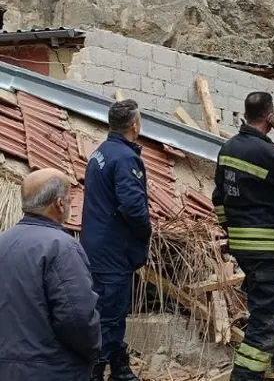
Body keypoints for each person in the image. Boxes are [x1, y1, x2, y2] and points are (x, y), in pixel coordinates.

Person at [213, 92, 274, 381]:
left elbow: (219, 197)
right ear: (270, 117)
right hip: (265, 248)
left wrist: (231, 229)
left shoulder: (228, 148)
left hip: (248, 248)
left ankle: (273, 365)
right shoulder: (268, 153)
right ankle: (245, 376)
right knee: (266, 319)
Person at [0, 168, 101, 380]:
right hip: (51, 370)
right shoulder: (62, 247)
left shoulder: (4, 243)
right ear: (59, 203)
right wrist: (93, 353)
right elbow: (78, 318)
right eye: (68, 197)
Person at [82, 99, 150, 381]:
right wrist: (145, 232)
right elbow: (133, 207)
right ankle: (97, 372)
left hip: (98, 246)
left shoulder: (102, 152)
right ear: (135, 125)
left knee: (108, 311)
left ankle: (119, 368)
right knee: (109, 314)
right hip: (112, 250)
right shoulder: (124, 158)